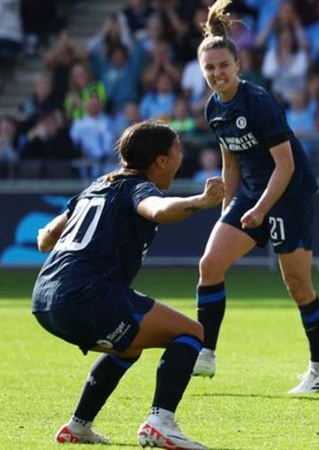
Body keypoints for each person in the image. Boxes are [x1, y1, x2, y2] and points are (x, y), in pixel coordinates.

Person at [32, 121, 224, 449]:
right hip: (87, 295)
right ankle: (160, 422)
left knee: (129, 346)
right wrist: (203, 201)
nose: (182, 156)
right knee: (192, 333)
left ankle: (78, 426)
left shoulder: (97, 186)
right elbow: (158, 211)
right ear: (161, 161)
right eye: (178, 149)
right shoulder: (140, 187)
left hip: (44, 300)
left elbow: (45, 239)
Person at [192, 0, 319, 394]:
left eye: (224, 66)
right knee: (210, 265)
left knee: (298, 286)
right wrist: (227, 215)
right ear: (203, 72)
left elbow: (285, 167)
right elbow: (231, 164)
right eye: (210, 68)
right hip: (252, 192)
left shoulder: (259, 103)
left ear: (238, 65)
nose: (218, 73)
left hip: (287, 193)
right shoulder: (213, 109)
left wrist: (260, 211)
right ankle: (206, 353)